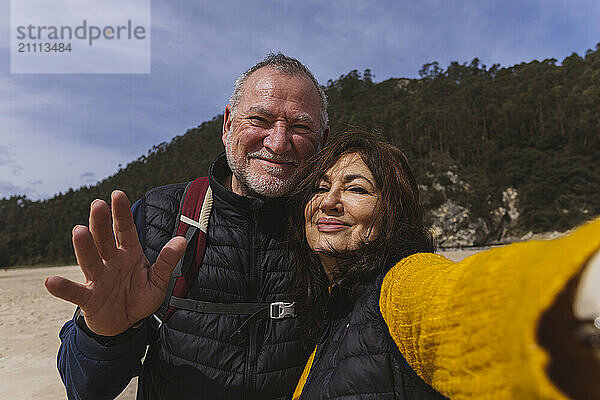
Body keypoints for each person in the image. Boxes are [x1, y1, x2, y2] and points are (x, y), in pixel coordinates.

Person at [44, 53, 330, 400]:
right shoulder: (159, 216)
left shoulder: (334, 231)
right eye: (260, 119)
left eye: (300, 127)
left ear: (323, 140)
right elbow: (84, 387)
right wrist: (104, 336)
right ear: (228, 124)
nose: (278, 141)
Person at [286, 131, 600, 399]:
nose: (329, 201)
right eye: (321, 187)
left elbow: (465, 303)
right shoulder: (333, 311)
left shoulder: (402, 285)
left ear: (392, 214)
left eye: (356, 189)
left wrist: (577, 289)